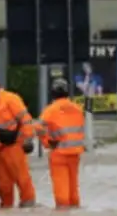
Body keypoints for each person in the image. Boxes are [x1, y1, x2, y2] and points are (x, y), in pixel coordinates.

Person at [0, 74, 37, 208]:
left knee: (22, 180)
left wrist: (28, 139)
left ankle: (28, 208)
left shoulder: (11, 99)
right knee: (3, 185)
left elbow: (26, 119)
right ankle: (6, 208)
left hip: (15, 146)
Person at [37, 79, 86, 208]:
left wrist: (47, 142)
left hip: (58, 153)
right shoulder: (78, 109)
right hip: (75, 153)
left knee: (61, 192)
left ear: (52, 93)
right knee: (73, 188)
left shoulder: (51, 110)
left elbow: (38, 127)